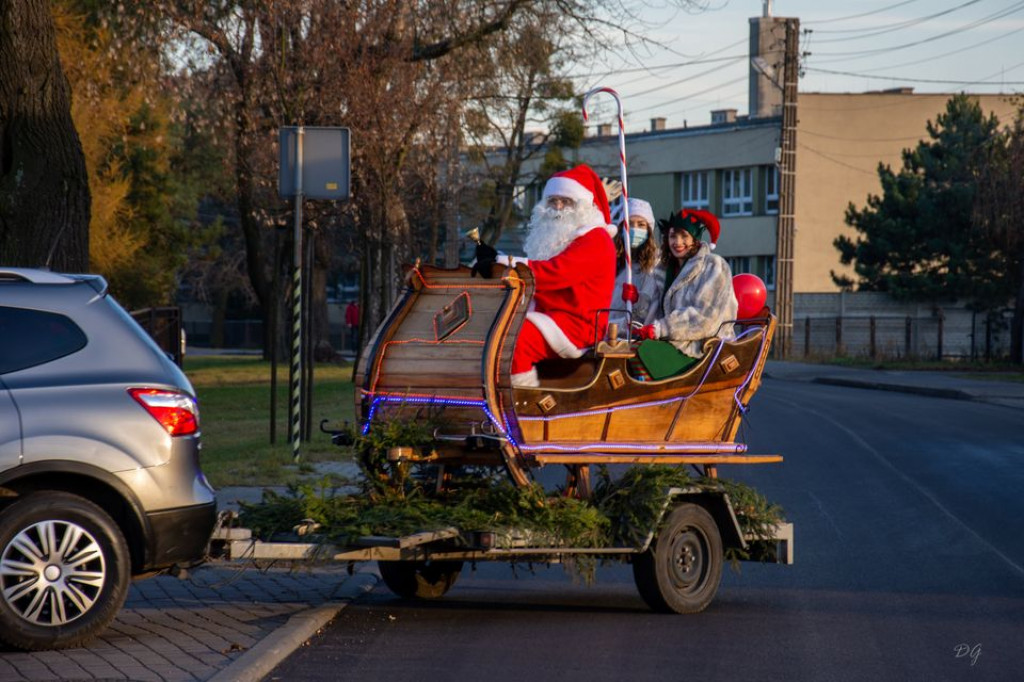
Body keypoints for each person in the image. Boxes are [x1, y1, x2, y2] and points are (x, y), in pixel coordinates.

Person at [491, 164, 617, 387]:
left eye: (566, 201)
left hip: (577, 325)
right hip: (551, 315)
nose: (557, 207)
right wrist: (497, 262)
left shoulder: (595, 240)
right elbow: (539, 268)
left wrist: (503, 263)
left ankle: (522, 405)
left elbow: (554, 273)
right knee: (492, 324)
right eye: (552, 201)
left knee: (514, 341)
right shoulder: (563, 237)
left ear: (583, 206)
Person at [632, 208, 738, 380]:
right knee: (626, 352)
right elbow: (655, 311)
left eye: (684, 236)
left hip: (703, 348)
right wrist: (639, 301)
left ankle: (654, 400)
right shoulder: (664, 269)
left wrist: (660, 329)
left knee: (640, 354)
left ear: (695, 239)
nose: (677, 242)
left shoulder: (714, 266)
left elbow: (704, 318)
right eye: (673, 236)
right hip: (672, 343)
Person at [609, 197, 664, 332]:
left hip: (637, 334)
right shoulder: (613, 259)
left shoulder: (656, 262)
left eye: (641, 225)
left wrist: (638, 299)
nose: (635, 229)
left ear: (649, 229)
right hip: (607, 330)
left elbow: (653, 304)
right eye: (630, 224)